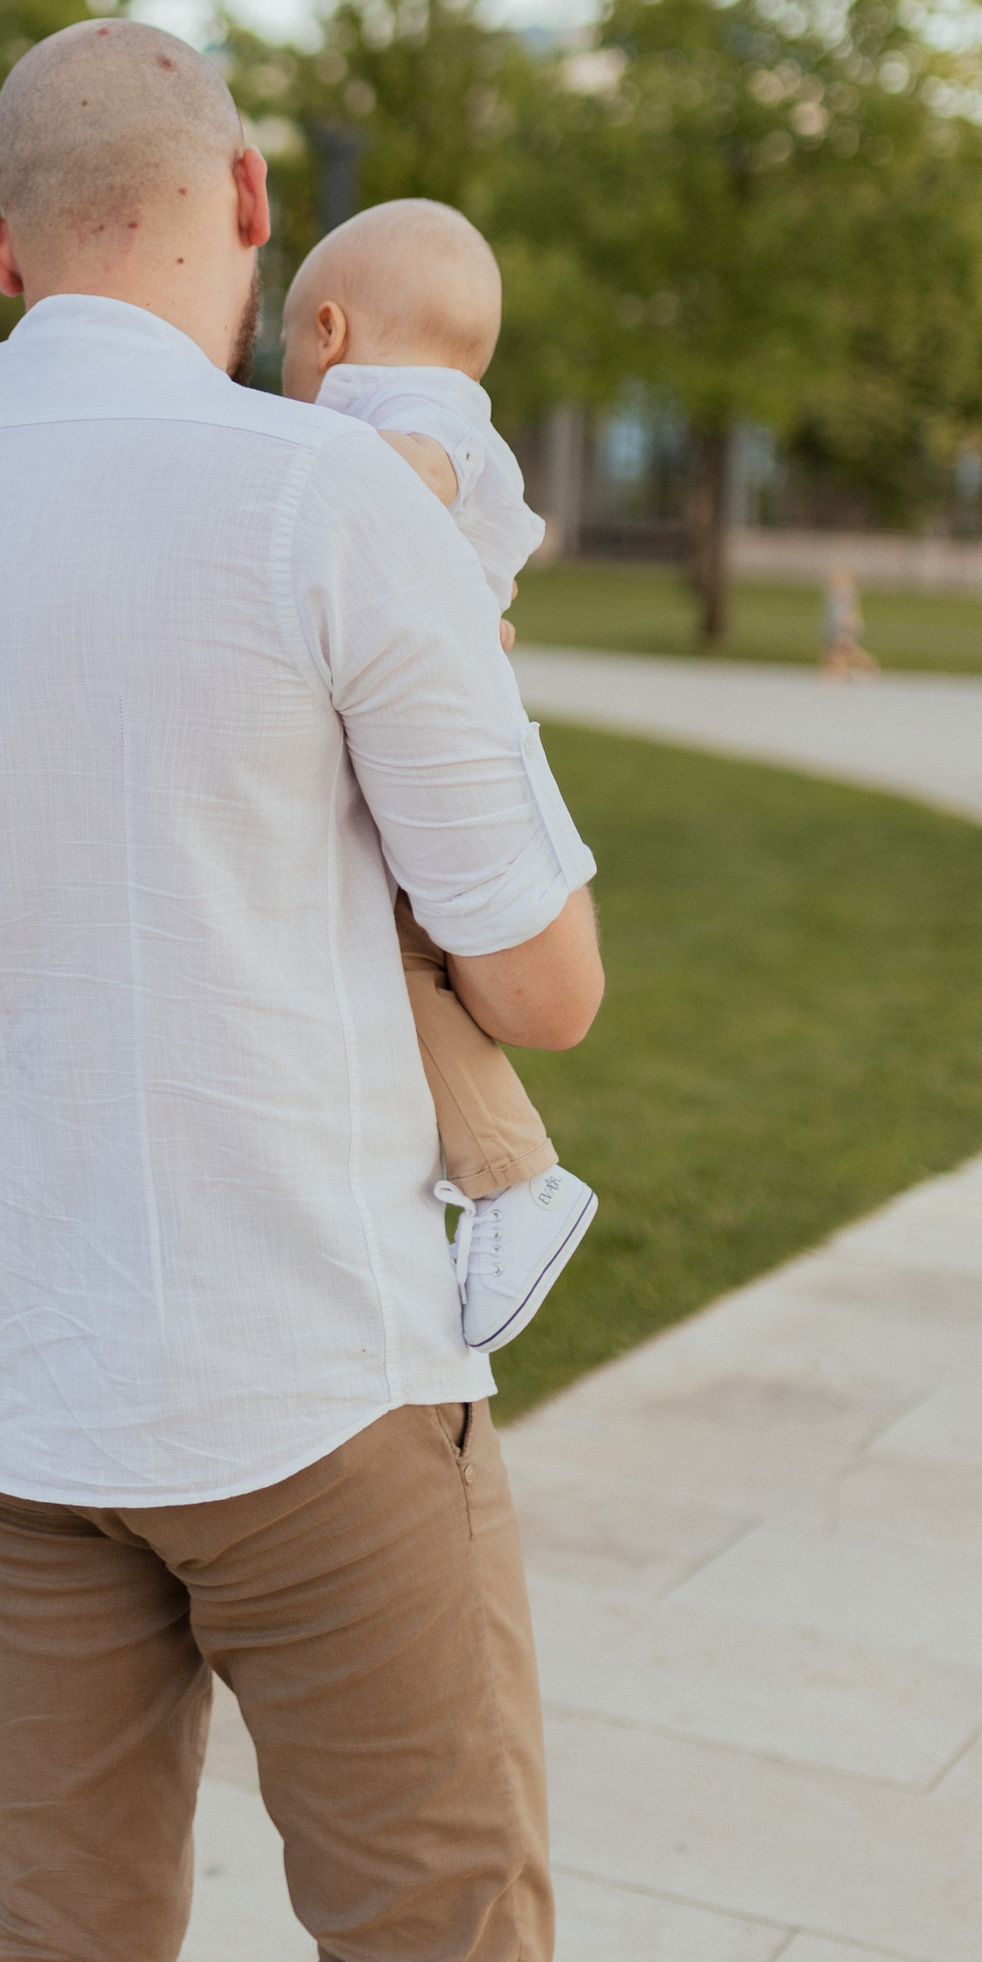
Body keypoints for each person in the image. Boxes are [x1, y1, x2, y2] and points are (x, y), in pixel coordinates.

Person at [0, 19, 603, 1962]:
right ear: (249, 204)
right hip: (304, 1373)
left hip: (9, 1374)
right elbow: (542, 981)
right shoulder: (319, 498)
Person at [282, 198, 601, 1351]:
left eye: (284, 359)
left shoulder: (413, 416)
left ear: (328, 332)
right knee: (399, 960)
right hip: (440, 731)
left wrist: (276, 462)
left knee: (406, 963)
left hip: (452, 743)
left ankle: (516, 1180)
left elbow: (400, 481)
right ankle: (503, 1179)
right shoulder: (437, 407)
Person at [820, 559, 877, 682]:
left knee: (841, 651)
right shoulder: (835, 592)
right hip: (834, 626)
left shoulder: (848, 592)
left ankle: (838, 676)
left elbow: (852, 612)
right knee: (839, 651)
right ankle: (837, 675)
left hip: (844, 626)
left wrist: (849, 626)